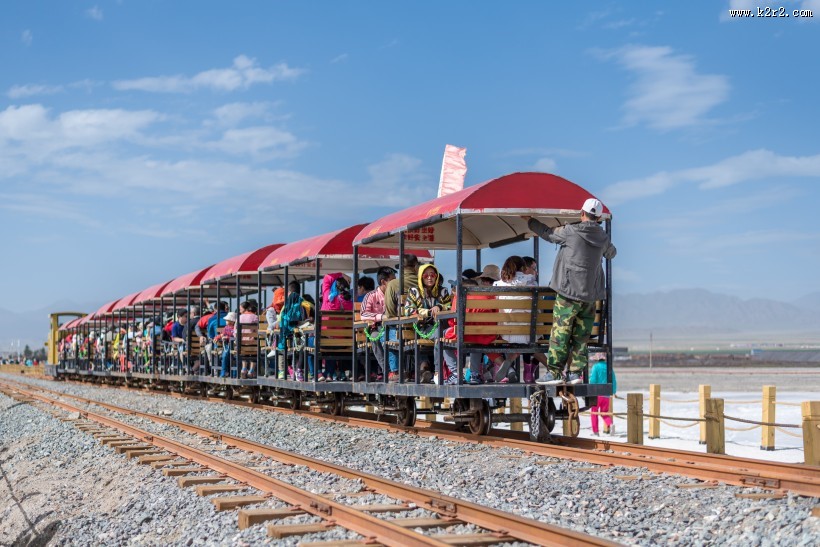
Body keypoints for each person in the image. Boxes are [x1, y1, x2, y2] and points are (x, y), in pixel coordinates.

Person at [528, 198, 617, 385]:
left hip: (568, 293)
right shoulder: (603, 238)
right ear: (598, 217)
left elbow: (548, 233)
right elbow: (612, 253)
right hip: (590, 296)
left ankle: (555, 373)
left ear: (582, 214)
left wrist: (530, 221)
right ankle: (576, 373)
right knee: (581, 336)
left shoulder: (571, 232)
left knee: (560, 332)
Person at [402, 264, 452, 383]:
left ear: (436, 277)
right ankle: (438, 371)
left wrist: (439, 306)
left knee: (446, 334)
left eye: (432, 275)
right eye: (426, 275)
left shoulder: (443, 291)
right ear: (421, 277)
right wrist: (428, 312)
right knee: (440, 335)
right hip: (422, 328)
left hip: (442, 326)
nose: (429, 278)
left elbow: (450, 307)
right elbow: (408, 310)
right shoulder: (414, 291)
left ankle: (452, 372)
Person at [384, 254, 420, 380]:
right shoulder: (423, 283)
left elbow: (389, 312)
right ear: (416, 267)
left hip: (401, 331)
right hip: (422, 330)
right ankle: (421, 369)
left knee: (386, 335)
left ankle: (395, 371)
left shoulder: (393, 284)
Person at [359, 267, 396, 379]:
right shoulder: (371, 296)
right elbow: (363, 314)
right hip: (377, 327)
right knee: (375, 337)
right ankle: (387, 370)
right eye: (392, 280)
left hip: (394, 326)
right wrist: (381, 317)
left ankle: (401, 370)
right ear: (383, 282)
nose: (395, 283)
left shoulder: (395, 295)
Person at [589, 352, 617, 435]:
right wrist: (613, 391)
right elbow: (614, 381)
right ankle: (610, 424)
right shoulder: (609, 368)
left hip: (597, 394)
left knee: (594, 412)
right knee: (604, 412)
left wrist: (590, 389)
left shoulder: (596, 367)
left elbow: (593, 380)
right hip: (607, 395)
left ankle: (596, 431)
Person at [215, 311, 237, 378]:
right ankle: (224, 371)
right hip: (228, 345)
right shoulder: (226, 327)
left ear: (232, 321)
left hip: (234, 345)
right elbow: (222, 334)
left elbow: (234, 336)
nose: (226, 321)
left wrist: (227, 337)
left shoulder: (235, 328)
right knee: (224, 356)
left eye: (227, 320)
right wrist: (218, 337)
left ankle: (227, 372)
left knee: (226, 356)